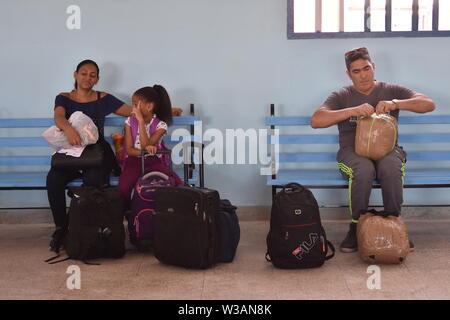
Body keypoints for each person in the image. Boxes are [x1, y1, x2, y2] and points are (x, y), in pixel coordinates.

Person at [47, 60, 182, 253]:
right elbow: (59, 117)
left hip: (95, 154)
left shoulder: (104, 98)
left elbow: (133, 111)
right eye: (83, 73)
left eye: (92, 75)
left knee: (94, 180)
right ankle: (61, 228)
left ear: (97, 79)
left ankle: (89, 228)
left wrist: (166, 111)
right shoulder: (64, 98)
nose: (88, 77)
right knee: (53, 179)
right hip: (71, 152)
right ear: (75, 75)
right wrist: (68, 129)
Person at [310, 47, 435, 253]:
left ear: (373, 67)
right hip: (352, 153)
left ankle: (394, 226)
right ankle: (356, 226)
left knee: (391, 167)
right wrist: (353, 110)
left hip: (388, 149)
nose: (363, 75)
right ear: (348, 74)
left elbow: (428, 104)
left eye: (366, 68)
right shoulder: (342, 95)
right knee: (364, 169)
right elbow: (316, 120)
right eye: (356, 71)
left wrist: (395, 103)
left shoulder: (391, 90)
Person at [118, 85, 183, 206]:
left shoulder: (161, 126)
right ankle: (129, 214)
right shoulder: (129, 122)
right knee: (123, 189)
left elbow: (145, 145)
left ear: (149, 106)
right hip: (134, 162)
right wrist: (145, 151)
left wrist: (141, 122)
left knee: (177, 182)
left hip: (154, 161)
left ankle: (169, 212)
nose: (133, 109)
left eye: (135, 104)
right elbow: (130, 150)